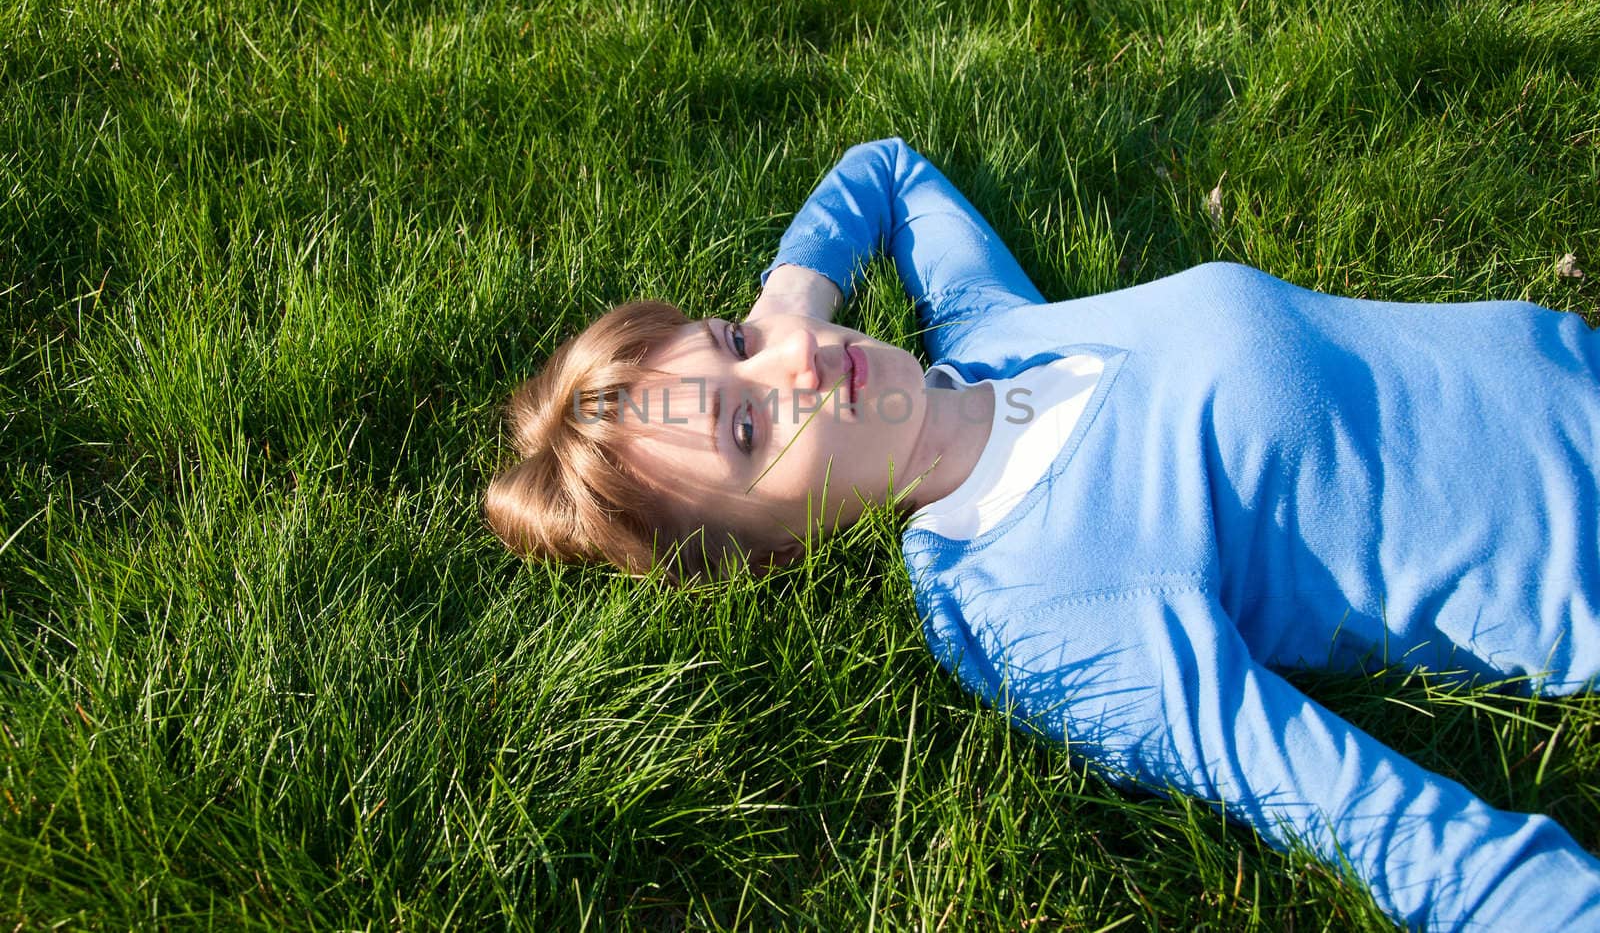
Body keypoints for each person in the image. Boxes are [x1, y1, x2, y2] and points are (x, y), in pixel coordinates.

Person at [485, 137, 1600, 931]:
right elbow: (1326, 797)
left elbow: (887, 167)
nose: (797, 366)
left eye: (730, 340)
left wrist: (789, 296)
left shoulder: (996, 336)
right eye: (744, 421)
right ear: (779, 547)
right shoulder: (1031, 603)